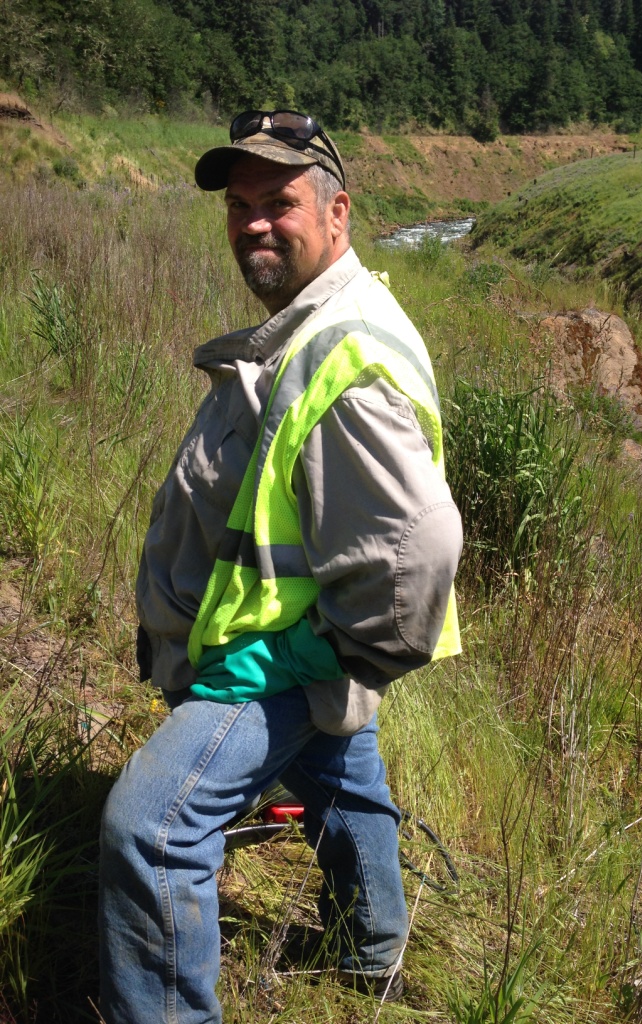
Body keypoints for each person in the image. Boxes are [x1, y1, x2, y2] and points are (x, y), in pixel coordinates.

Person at [98, 109, 463, 1024]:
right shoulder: (325, 320)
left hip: (271, 662)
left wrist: (302, 659)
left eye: (280, 202)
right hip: (291, 644)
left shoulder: (346, 353)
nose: (255, 222)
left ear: (337, 213)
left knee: (150, 831)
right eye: (239, 205)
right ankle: (370, 956)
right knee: (345, 775)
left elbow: (417, 564)